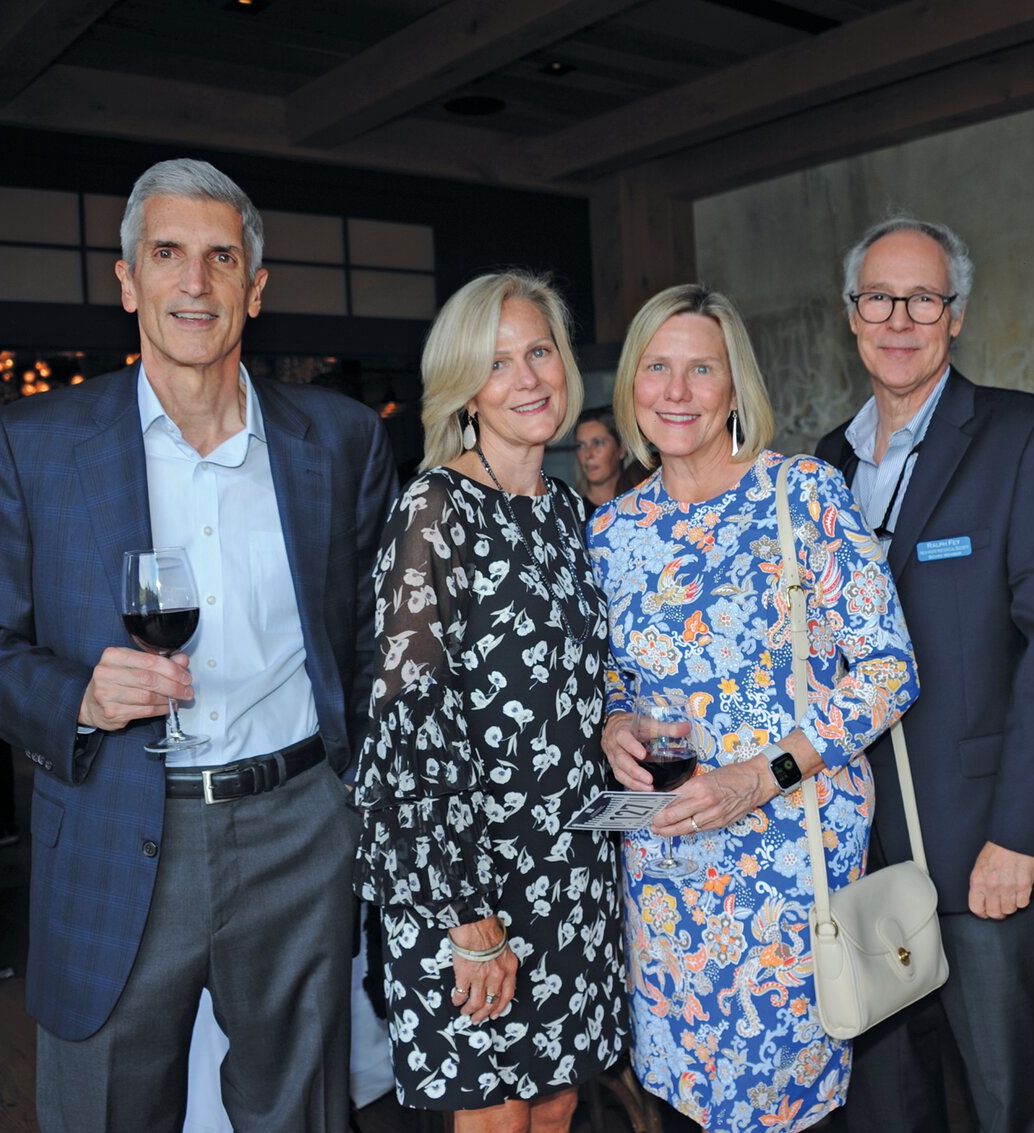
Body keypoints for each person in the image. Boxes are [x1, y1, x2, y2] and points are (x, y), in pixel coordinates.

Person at [0, 158, 397, 1132]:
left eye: (221, 257)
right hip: (114, 823)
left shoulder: (342, 439)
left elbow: (369, 635)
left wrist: (354, 794)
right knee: (109, 1106)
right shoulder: (35, 443)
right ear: (127, 279)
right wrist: (77, 697)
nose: (195, 282)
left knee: (297, 1113)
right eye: (169, 254)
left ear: (255, 289)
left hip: (296, 828)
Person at [588, 283, 919, 1133]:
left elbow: (889, 669)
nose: (677, 390)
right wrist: (615, 721)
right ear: (631, 386)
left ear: (736, 387)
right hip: (665, 877)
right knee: (688, 1103)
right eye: (657, 368)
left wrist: (760, 775)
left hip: (786, 871)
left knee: (787, 1111)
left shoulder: (802, 495)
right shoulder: (611, 532)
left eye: (703, 368)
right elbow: (614, 678)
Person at [818, 218, 1034, 1133]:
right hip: (857, 857)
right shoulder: (823, 464)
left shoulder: (1028, 437)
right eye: (879, 298)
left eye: (923, 297)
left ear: (957, 314)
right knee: (887, 1110)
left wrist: (1023, 833)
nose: (900, 318)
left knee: (1009, 1103)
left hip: (985, 856)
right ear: (852, 316)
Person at [353, 271, 628, 1132]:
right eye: (499, 361)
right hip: (467, 875)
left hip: (569, 866)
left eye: (539, 351)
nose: (529, 377)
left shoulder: (561, 514)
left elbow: (583, 678)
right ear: (465, 389)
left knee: (555, 1107)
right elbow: (408, 724)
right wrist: (467, 913)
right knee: (495, 1119)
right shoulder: (433, 510)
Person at [573, 404, 644, 509]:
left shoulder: (643, 504)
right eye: (581, 445)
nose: (588, 454)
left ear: (622, 449)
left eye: (597, 443)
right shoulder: (572, 511)